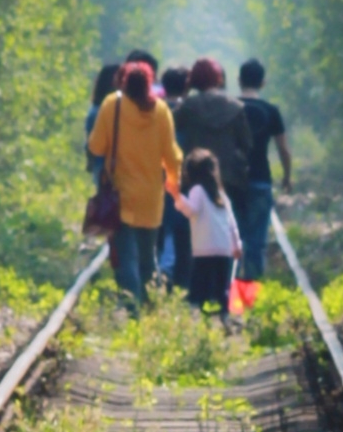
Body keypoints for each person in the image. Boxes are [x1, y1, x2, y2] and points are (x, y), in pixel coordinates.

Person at [86, 60, 180, 306]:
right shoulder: (160, 110)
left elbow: (96, 146)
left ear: (123, 82)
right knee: (148, 259)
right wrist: (174, 186)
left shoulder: (112, 105)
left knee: (126, 257)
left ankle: (132, 311)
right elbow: (172, 156)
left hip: (121, 195)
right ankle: (149, 307)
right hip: (151, 198)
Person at [174, 58, 252, 231]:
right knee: (230, 227)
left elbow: (170, 128)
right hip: (228, 176)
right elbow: (246, 144)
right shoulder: (235, 107)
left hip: (195, 176)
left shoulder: (189, 106)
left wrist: (185, 93)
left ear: (193, 80)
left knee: (194, 229)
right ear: (218, 78)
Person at [235, 58, 292, 284]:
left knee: (235, 239)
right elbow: (283, 150)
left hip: (233, 183)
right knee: (257, 241)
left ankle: (229, 291)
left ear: (239, 81)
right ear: (263, 82)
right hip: (260, 180)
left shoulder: (230, 108)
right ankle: (249, 297)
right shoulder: (271, 111)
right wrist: (287, 178)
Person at [176, 149, 241, 315]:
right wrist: (236, 245)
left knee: (199, 287)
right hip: (223, 249)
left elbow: (192, 210)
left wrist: (177, 197)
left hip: (204, 250)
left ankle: (197, 315)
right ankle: (222, 317)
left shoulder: (197, 190)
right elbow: (231, 223)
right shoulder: (221, 195)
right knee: (221, 287)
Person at [158, 69, 193, 290]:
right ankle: (181, 282)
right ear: (187, 85)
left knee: (159, 229)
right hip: (185, 180)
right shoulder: (191, 110)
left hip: (156, 178)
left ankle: (159, 276)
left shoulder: (154, 108)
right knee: (183, 233)